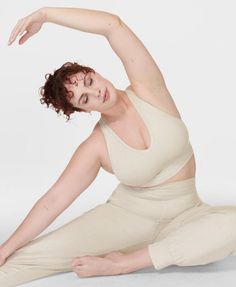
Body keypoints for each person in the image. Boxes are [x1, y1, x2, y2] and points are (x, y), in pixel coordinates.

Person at [1, 6, 236, 286]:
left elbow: (113, 25)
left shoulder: (149, 91)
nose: (95, 92)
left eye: (89, 81)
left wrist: (46, 14)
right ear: (82, 110)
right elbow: (52, 202)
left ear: (95, 73)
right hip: (124, 220)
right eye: (84, 99)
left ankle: (124, 263)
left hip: (189, 213)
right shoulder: (96, 146)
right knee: (23, 261)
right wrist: (7, 246)